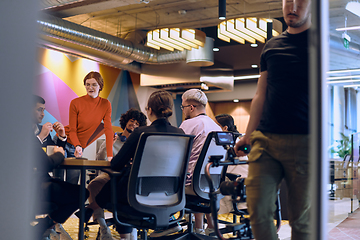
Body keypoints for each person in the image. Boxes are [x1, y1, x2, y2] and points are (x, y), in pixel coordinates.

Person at [234, 1, 311, 240]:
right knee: (257, 210)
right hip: (265, 141)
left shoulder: (321, 43)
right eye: (288, 1)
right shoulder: (272, 46)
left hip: (305, 142)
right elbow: (260, 94)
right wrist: (247, 135)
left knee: (301, 220)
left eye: (300, 1)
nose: (293, 6)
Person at [95, 90, 185, 240]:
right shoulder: (181, 133)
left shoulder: (140, 133)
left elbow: (116, 165)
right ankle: (165, 222)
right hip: (171, 195)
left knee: (112, 190)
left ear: (149, 110)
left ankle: (119, 233)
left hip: (138, 195)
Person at [83, 109, 146, 240]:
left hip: (130, 177)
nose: (134, 124)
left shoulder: (140, 141)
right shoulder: (113, 138)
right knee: (93, 185)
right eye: (131, 121)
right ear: (125, 122)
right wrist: (109, 144)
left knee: (128, 190)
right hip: (110, 175)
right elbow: (101, 159)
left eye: (137, 123)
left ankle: (132, 228)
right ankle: (103, 226)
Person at [179, 89, 222, 235]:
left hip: (190, 185)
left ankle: (171, 227)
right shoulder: (217, 128)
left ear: (191, 107)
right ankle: (204, 229)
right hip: (212, 185)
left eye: (183, 107)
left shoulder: (188, 124)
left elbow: (177, 155)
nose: (183, 111)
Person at [33, 138, 89, 240]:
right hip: (34, 187)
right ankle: (45, 227)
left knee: (71, 191)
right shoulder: (23, 135)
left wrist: (62, 139)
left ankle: (46, 227)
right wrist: (59, 154)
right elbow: (46, 164)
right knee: (81, 193)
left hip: (32, 184)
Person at [64, 71, 114, 184]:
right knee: (58, 181)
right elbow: (72, 129)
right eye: (87, 84)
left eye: (94, 84)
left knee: (72, 183)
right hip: (64, 143)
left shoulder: (105, 104)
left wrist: (110, 156)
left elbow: (108, 130)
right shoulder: (76, 102)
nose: (90, 87)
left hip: (78, 147)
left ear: (100, 86)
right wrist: (77, 145)